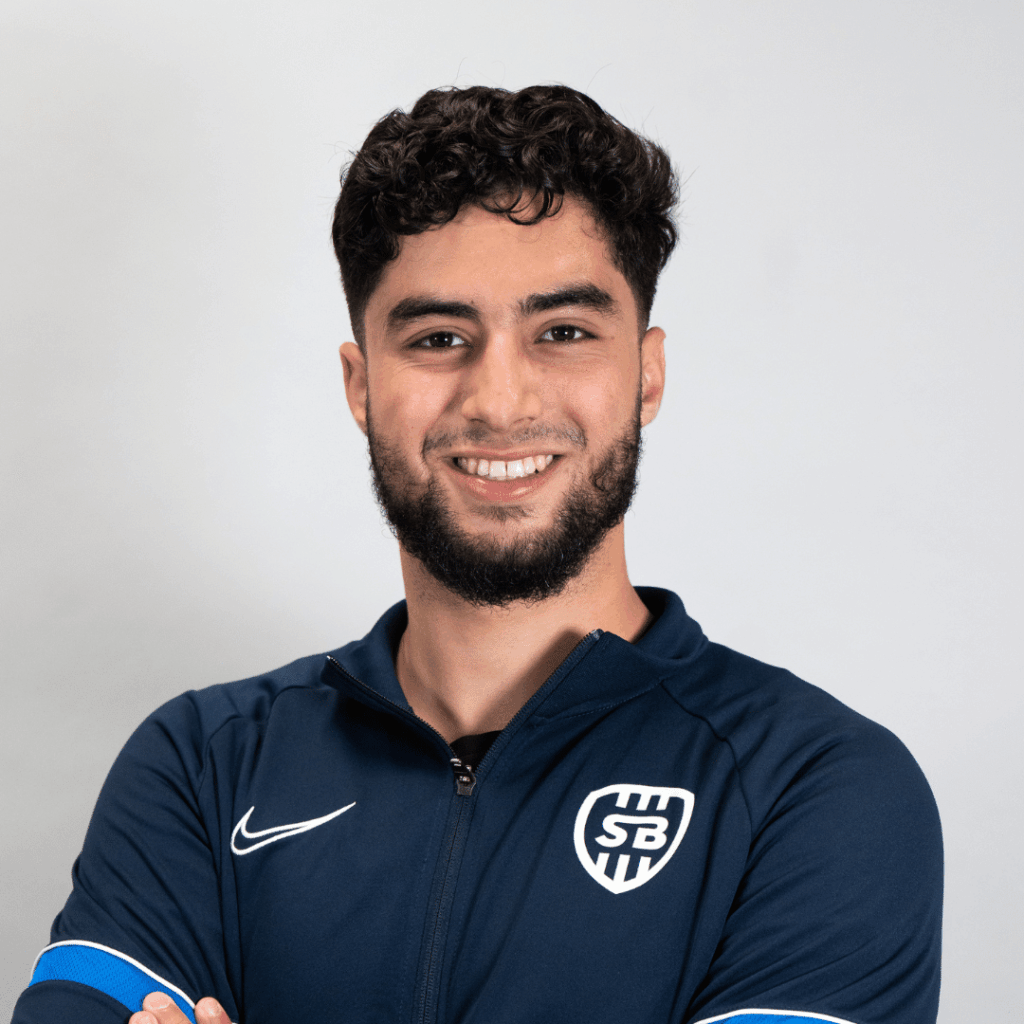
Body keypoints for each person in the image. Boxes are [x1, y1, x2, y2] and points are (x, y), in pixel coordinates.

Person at [12, 85, 943, 1024]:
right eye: (439, 338)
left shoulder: (814, 786)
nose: (499, 400)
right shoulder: (206, 765)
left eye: (564, 333)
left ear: (647, 374)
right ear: (361, 386)